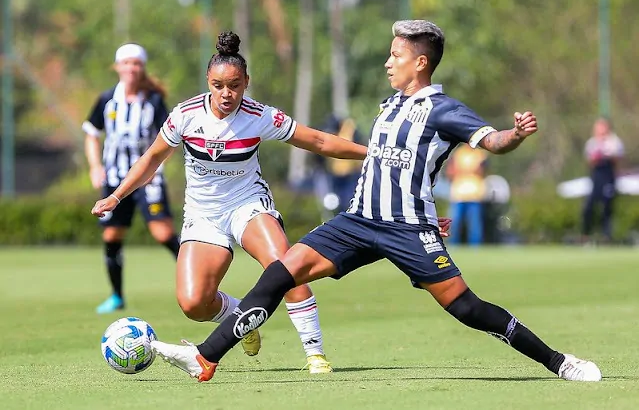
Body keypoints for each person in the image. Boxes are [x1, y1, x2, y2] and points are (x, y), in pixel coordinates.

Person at [147, 20, 602, 383]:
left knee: (468, 309)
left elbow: (492, 142)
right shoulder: (389, 105)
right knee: (279, 275)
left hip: (407, 230)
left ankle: (560, 362)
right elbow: (390, 166)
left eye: (396, 55)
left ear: (420, 63)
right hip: (358, 221)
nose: (388, 62)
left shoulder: (443, 110)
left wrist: (515, 135)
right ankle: (204, 359)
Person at [92, 31, 373, 373]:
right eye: (218, 85)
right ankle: (242, 320)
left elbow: (317, 141)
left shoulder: (259, 115)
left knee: (285, 267)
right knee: (194, 303)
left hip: (248, 205)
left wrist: (372, 153)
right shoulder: (185, 115)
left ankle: (315, 354)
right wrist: (116, 195)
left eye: (235, 85)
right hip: (203, 214)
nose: (227, 94)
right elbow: (151, 159)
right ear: (208, 82)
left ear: (246, 82)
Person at [83, 43, 180, 314]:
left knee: (163, 233)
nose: (131, 68)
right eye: (126, 63)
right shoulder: (106, 100)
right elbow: (91, 133)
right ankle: (116, 296)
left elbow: (170, 139)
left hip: (149, 180)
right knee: (112, 235)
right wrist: (94, 166)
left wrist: (155, 168)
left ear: (142, 68)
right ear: (117, 67)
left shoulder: (154, 101)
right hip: (115, 178)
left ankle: (195, 282)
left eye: (136, 63)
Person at [582, 117, 624, 243]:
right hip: (596, 177)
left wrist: (606, 155)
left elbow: (618, 160)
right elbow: (589, 161)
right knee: (589, 206)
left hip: (608, 177)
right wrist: (595, 157)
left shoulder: (614, 141)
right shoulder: (592, 142)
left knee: (607, 206)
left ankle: (606, 236)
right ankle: (586, 234)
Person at [445, 144, 488, 246]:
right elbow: (451, 171)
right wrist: (470, 169)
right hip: (458, 194)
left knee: (474, 225)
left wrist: (463, 169)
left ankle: (475, 249)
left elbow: (481, 171)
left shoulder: (481, 154)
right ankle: (453, 246)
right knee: (454, 223)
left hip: (475, 195)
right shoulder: (458, 154)